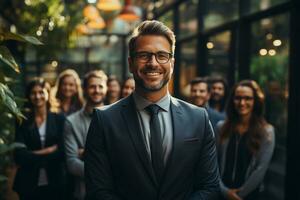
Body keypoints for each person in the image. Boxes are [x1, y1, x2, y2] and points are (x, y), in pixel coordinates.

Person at [84, 20, 220, 200]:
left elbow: (210, 187)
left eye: (162, 55)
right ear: (131, 63)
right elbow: (98, 191)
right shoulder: (104, 120)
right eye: (144, 55)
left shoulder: (198, 118)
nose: (153, 63)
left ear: (172, 63)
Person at [217, 80, 275, 200]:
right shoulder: (221, 127)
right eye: (238, 98)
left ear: (255, 101)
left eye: (248, 98)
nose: (242, 103)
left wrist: (238, 196)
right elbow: (213, 163)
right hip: (221, 194)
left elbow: (260, 169)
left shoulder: (267, 132)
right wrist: (225, 192)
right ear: (232, 100)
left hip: (251, 195)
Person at [13, 78, 66, 200]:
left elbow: (61, 152)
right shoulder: (22, 120)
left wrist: (31, 154)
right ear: (28, 96)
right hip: (28, 181)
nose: (37, 96)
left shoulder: (59, 119)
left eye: (41, 92)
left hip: (55, 180)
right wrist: (47, 151)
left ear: (48, 93)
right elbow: (19, 155)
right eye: (33, 93)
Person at [64, 70, 108, 200]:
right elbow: (72, 163)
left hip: (113, 193)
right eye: (92, 86)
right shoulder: (71, 122)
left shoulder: (118, 118)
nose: (96, 90)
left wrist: (86, 153)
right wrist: (105, 171)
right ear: (84, 89)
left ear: (106, 88)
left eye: (100, 86)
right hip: (83, 193)